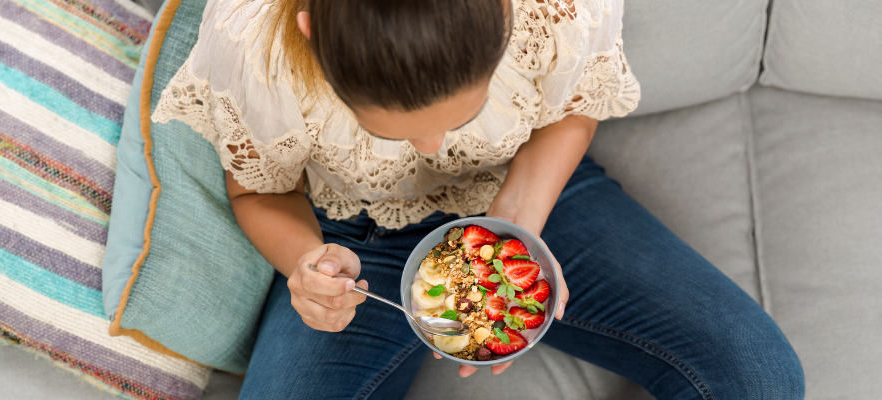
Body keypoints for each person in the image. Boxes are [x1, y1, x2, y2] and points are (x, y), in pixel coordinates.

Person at [152, 0, 805, 398]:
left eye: (458, 114)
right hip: (355, 236)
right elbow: (258, 190)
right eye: (396, 127)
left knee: (759, 376)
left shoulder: (553, 4)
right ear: (310, 34)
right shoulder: (248, 43)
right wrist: (308, 265)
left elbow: (573, 110)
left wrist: (515, 226)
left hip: (524, 186)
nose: (433, 147)